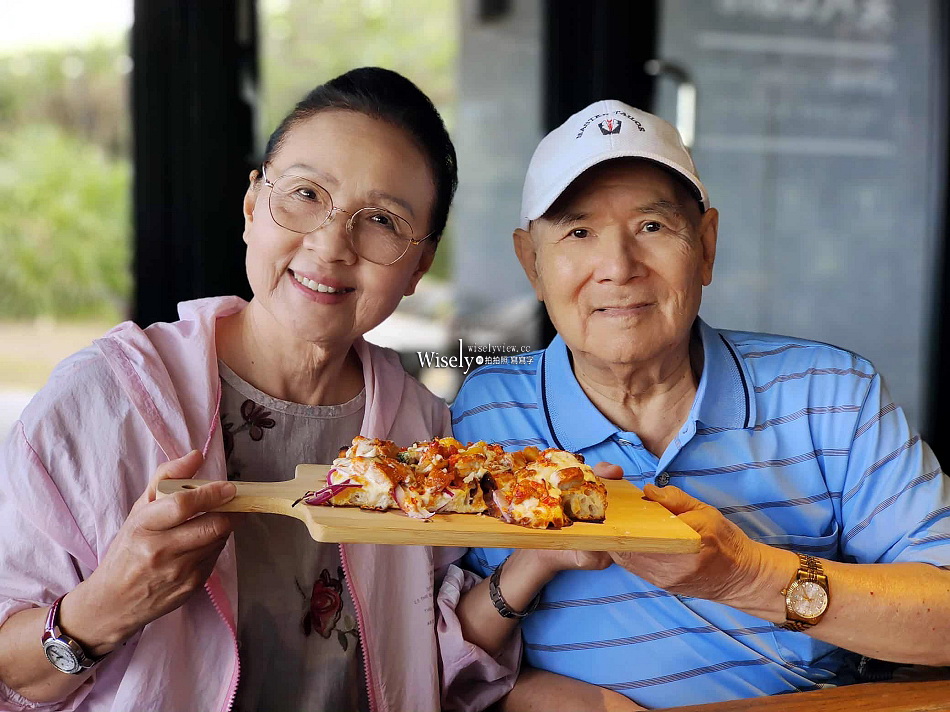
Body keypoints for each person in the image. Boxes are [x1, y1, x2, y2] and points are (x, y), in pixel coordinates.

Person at [0, 67, 503, 712]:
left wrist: (540, 563)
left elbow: (442, 668)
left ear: (420, 266)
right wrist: (106, 607)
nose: (329, 244)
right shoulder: (106, 397)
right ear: (251, 206)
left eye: (380, 220)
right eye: (305, 193)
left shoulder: (424, 437)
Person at [445, 100, 950, 710]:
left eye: (653, 227)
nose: (618, 268)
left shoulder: (832, 393)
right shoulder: (484, 413)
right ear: (532, 263)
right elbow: (438, 656)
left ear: (706, 246)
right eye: (578, 233)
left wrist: (748, 575)